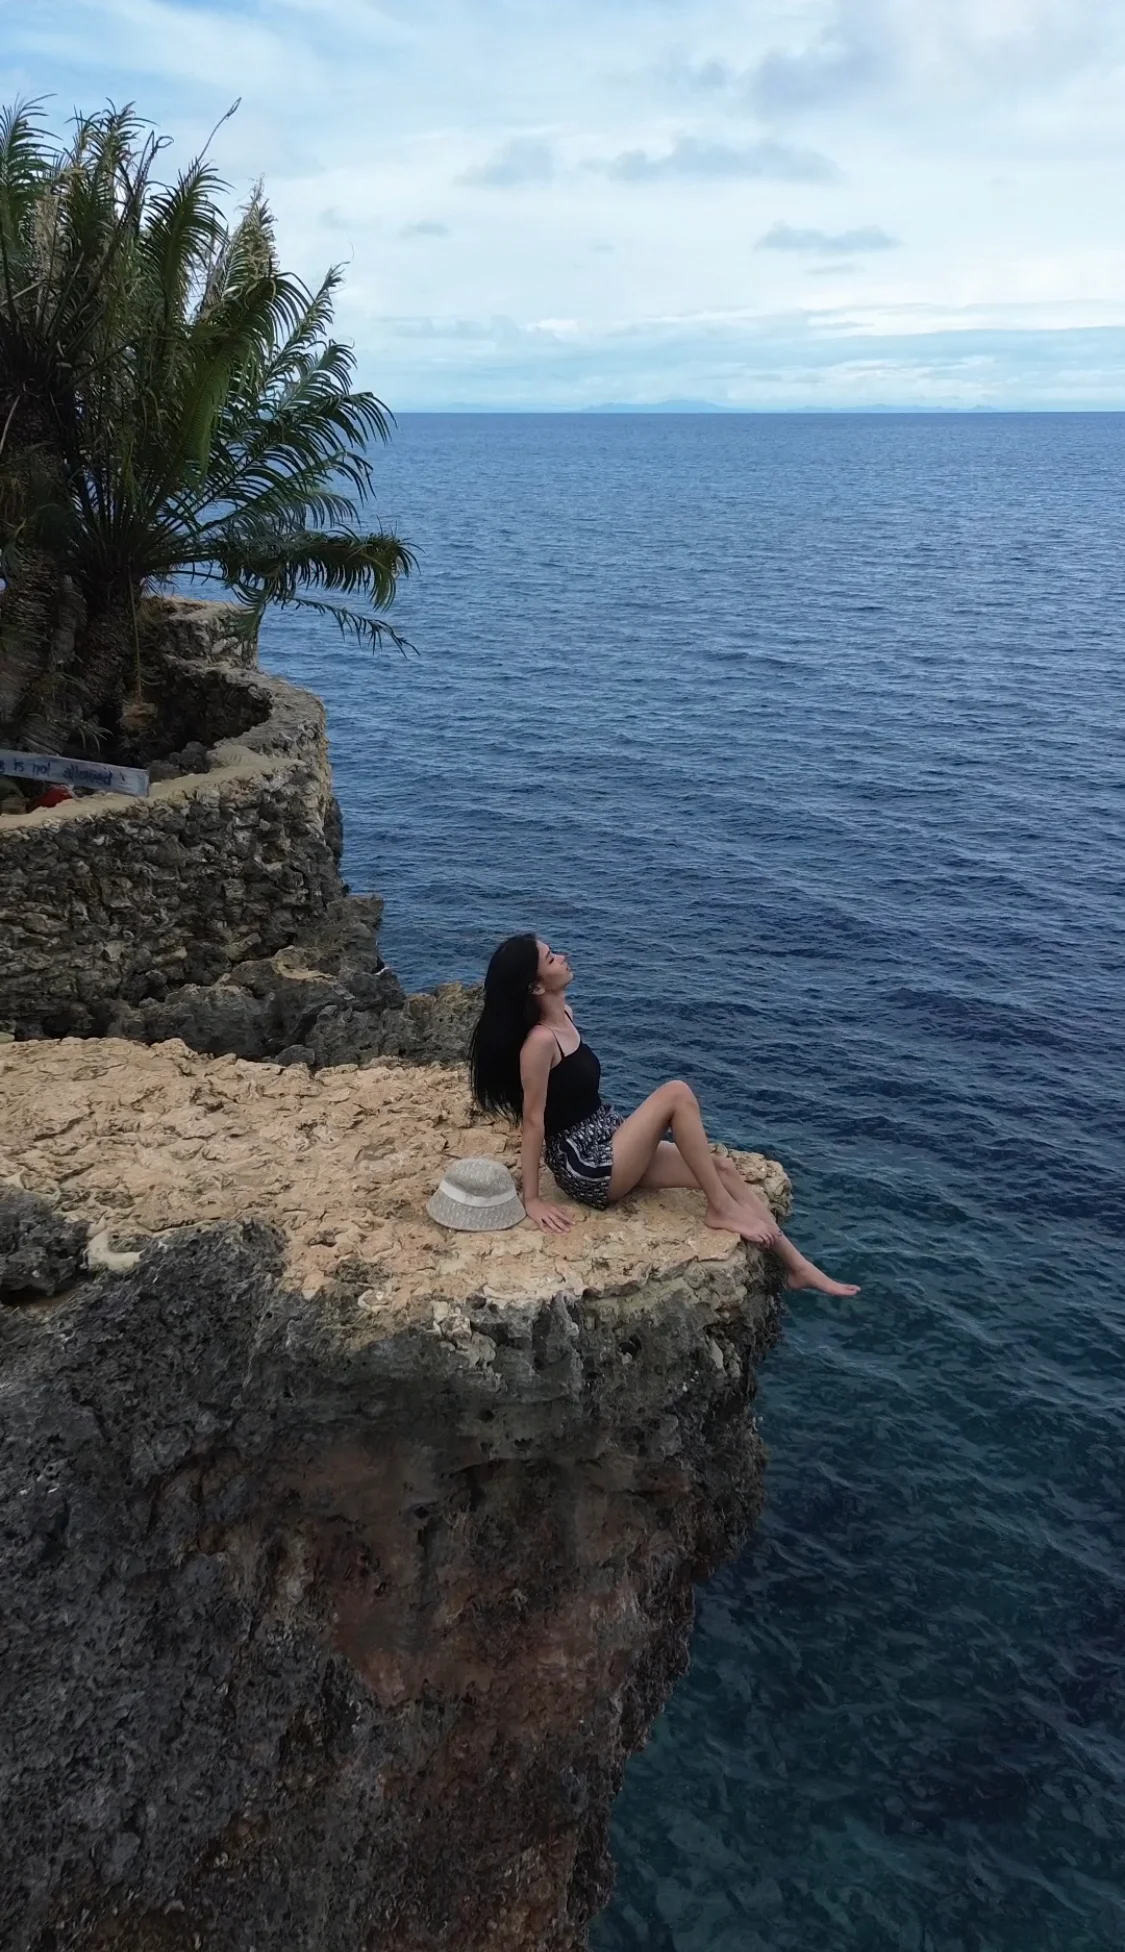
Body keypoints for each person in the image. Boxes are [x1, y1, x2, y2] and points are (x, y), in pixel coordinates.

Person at [468, 933, 859, 1296]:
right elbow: (533, 1121)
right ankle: (720, 1210)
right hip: (587, 1165)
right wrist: (533, 1198)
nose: (563, 956)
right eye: (551, 958)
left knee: (721, 1168)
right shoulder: (539, 1042)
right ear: (536, 986)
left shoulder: (566, 1015)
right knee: (676, 1093)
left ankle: (798, 1266)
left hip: (611, 1139)